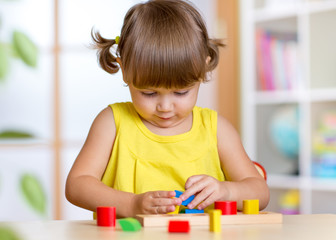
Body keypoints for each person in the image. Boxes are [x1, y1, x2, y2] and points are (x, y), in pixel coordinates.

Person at [65, 0, 269, 218]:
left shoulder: (217, 129)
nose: (165, 107)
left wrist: (226, 190)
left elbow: (260, 192)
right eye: (149, 93)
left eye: (181, 93)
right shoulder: (112, 123)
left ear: (203, 68)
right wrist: (131, 204)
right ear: (124, 70)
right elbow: (77, 185)